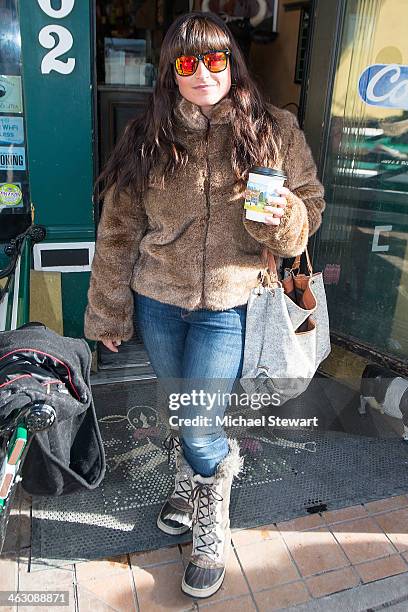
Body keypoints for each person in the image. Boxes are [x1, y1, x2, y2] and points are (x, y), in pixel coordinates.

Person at [84, 11, 326, 600]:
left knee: (197, 419)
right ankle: (189, 483)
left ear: (232, 63)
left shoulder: (274, 129)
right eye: (186, 63)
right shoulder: (148, 135)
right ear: (170, 73)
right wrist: (109, 311)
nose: (201, 73)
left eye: (214, 59)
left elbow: (310, 207)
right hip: (159, 301)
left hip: (230, 303)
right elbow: (119, 229)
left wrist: (284, 220)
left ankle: (210, 519)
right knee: (181, 405)